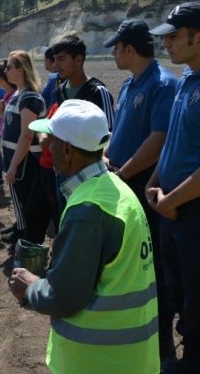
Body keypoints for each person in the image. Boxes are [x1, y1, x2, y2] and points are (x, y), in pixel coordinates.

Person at [9, 99, 159, 374]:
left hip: (95, 361)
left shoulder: (86, 211)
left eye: (50, 140)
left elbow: (64, 297)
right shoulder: (116, 190)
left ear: (66, 149)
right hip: (133, 357)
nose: (46, 146)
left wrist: (29, 285)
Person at [102, 19, 179, 367]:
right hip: (124, 180)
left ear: (129, 49)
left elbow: (159, 140)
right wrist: (107, 155)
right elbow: (121, 131)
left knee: (155, 271)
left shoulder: (162, 85)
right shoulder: (132, 85)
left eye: (116, 48)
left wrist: (123, 172)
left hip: (143, 185)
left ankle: (162, 349)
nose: (115, 54)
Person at [146, 1, 200, 373]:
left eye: (176, 36)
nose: (167, 45)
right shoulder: (186, 79)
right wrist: (154, 181)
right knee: (178, 287)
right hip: (171, 204)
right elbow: (175, 138)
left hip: (191, 209)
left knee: (197, 295)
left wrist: (170, 200)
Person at [0, 51, 45, 246]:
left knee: (25, 200)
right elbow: (13, 127)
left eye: (9, 67)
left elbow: (27, 135)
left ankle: (27, 236)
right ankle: (21, 228)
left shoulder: (29, 98)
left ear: (21, 69)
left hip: (24, 161)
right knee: (18, 197)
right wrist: (1, 114)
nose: (5, 71)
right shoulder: (17, 95)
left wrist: (14, 166)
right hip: (13, 156)